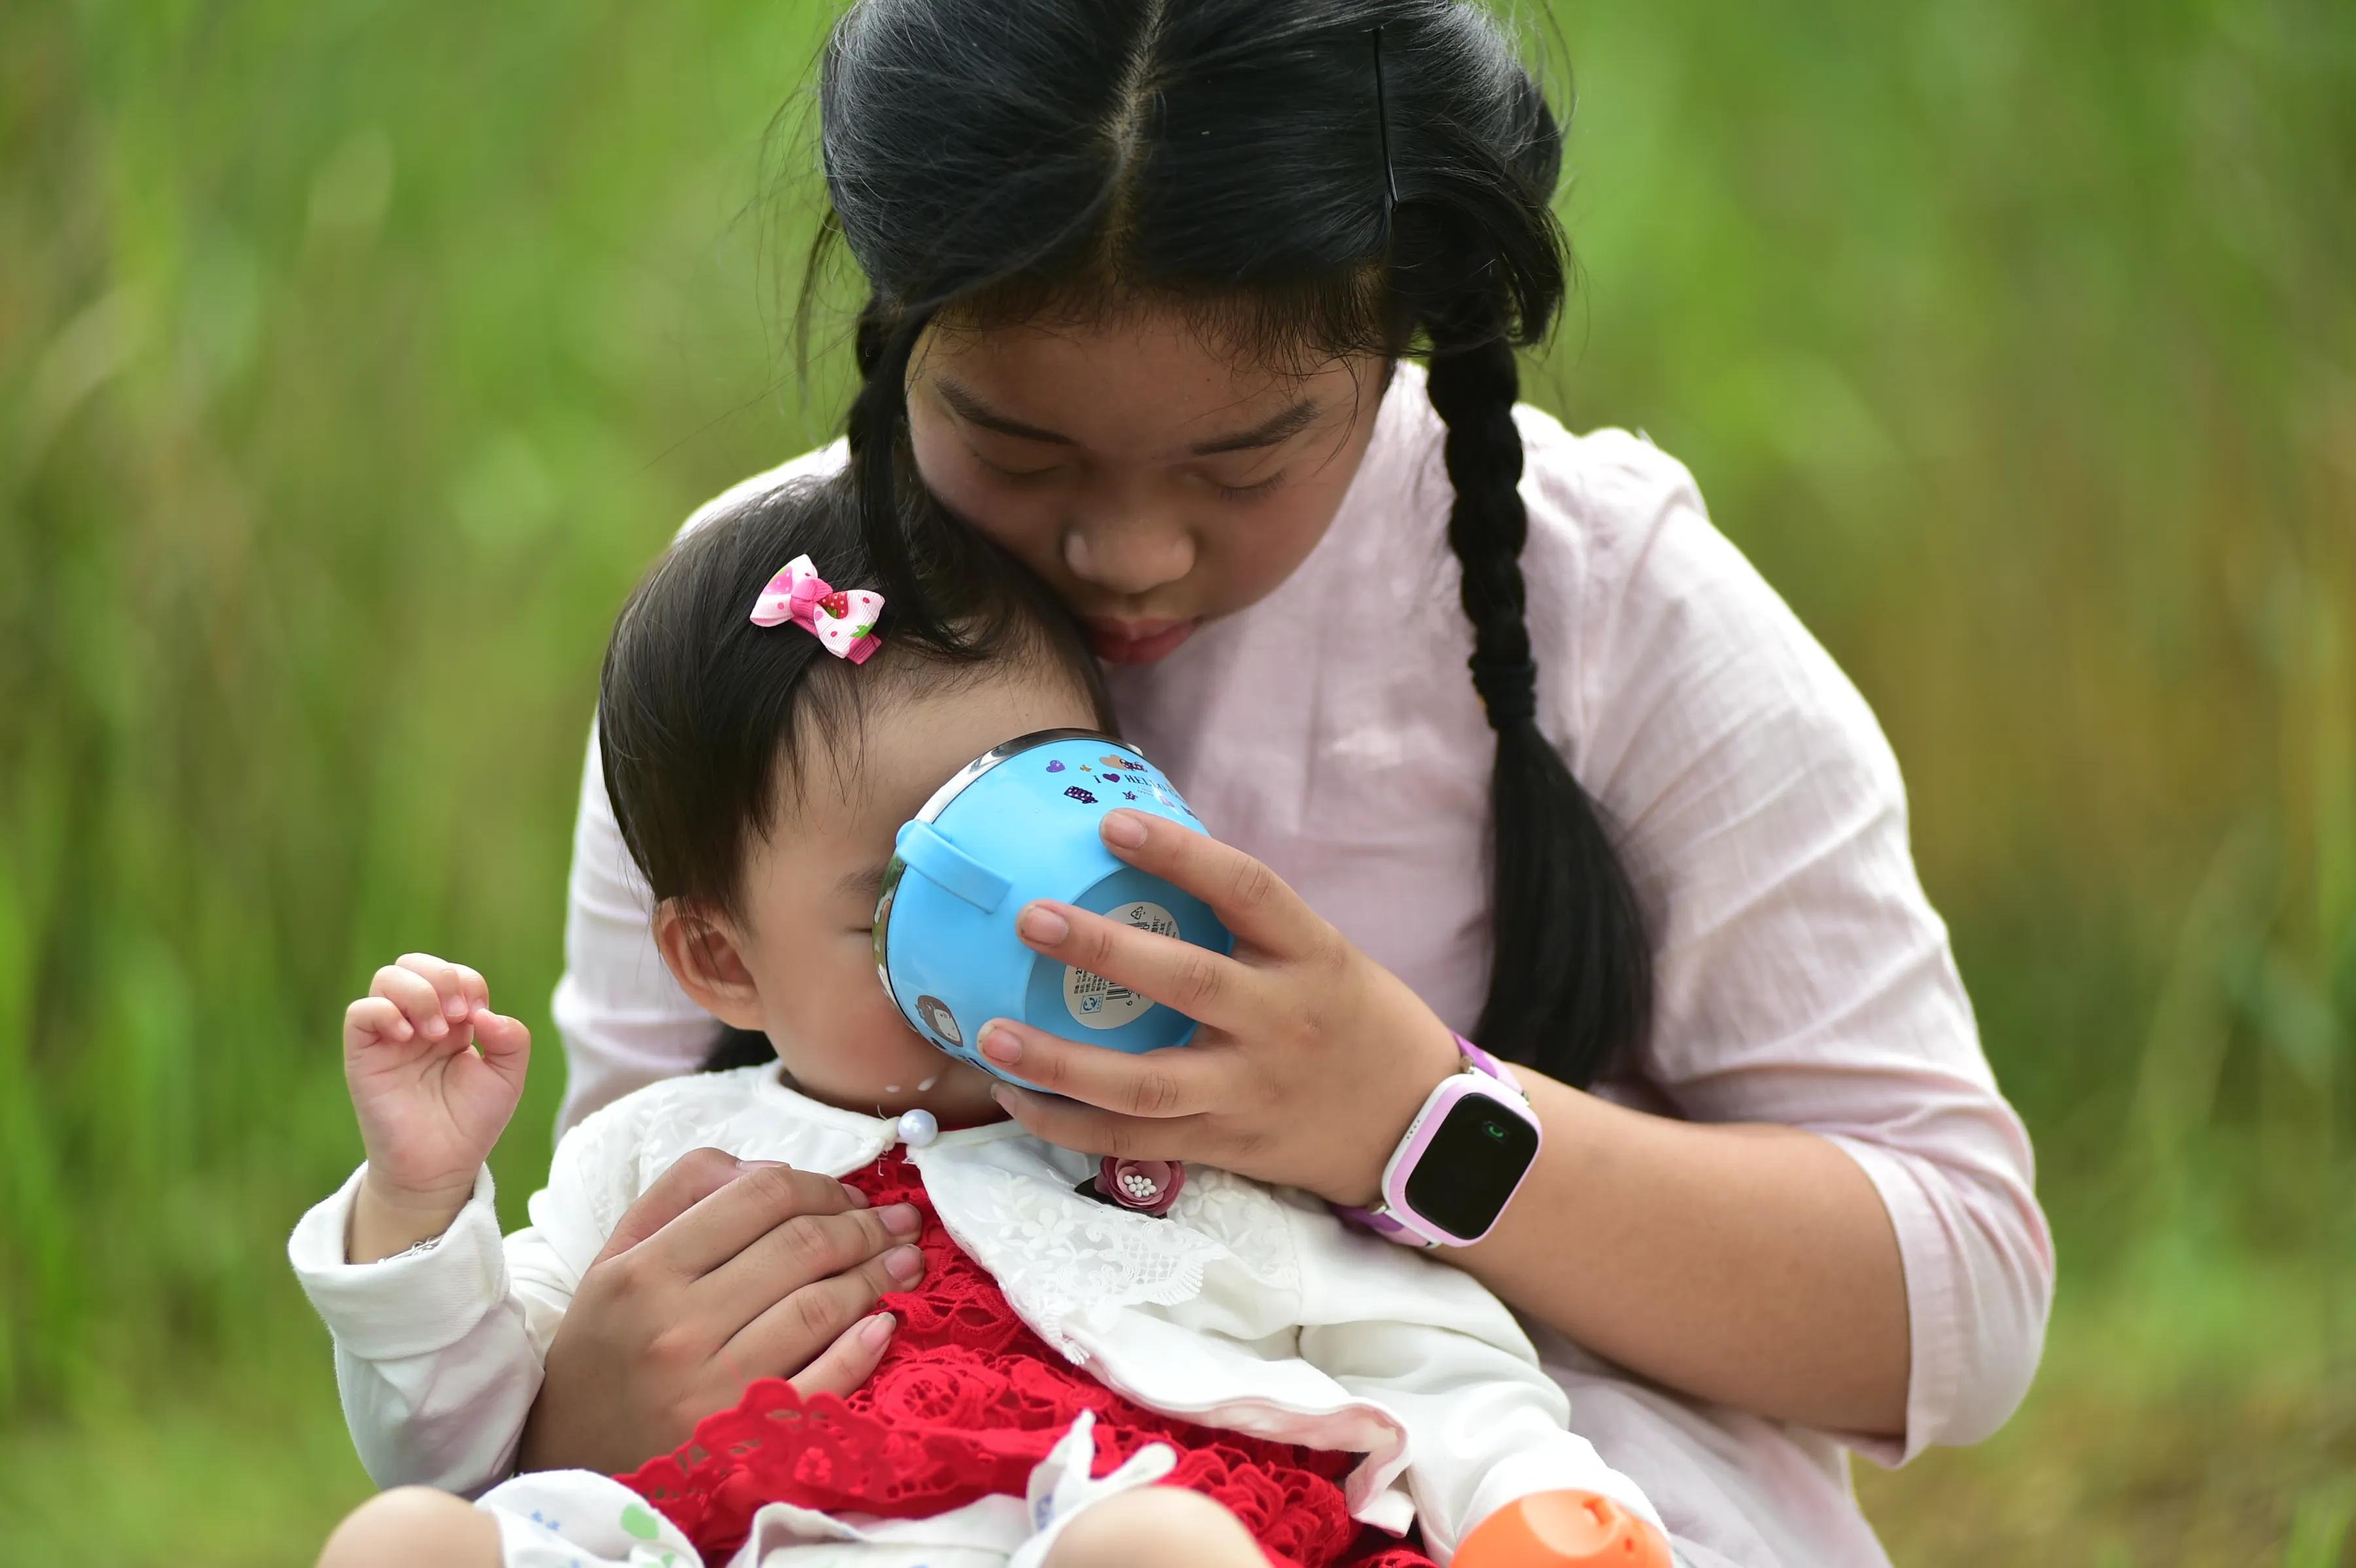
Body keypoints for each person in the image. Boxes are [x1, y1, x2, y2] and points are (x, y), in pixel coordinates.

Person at [529, 5, 2054, 1565]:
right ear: (901, 318)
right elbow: (639, 1218)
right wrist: (569, 1409)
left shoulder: (1610, 604)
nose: (1128, 551)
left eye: (1244, 464)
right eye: (1018, 445)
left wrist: (1405, 1118)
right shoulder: (765, 640)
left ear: (1397, 335)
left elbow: (1962, 1302)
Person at [291, 479, 1670, 1568]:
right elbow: (455, 1446)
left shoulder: (1199, 1132)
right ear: (719, 957)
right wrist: (420, 1207)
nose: (1023, 945)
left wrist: (1538, 1507)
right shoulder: (661, 1161)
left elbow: (1424, 1358)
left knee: (1161, 1550)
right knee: (402, 1537)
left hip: (1081, 1523)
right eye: (904, 907)